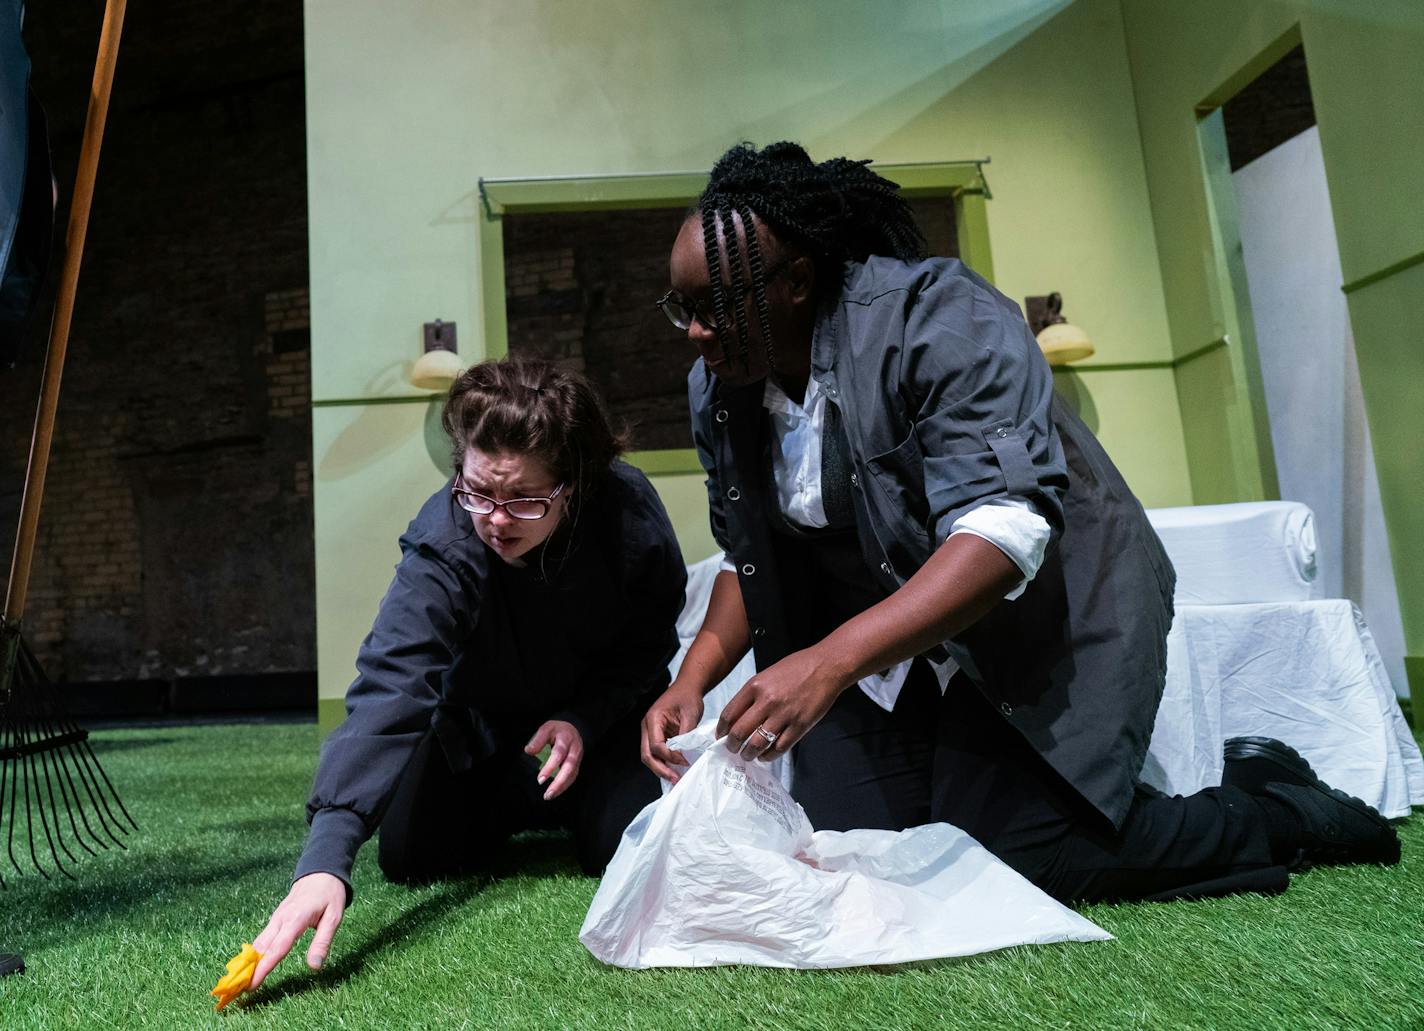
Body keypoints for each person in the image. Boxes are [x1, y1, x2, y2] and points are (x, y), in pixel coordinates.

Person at [641, 141, 1400, 904]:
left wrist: (831, 662)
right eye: (683, 309)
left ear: (797, 282)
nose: (696, 333)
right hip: (894, 652)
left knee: (1020, 856)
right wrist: (693, 677)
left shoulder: (937, 318)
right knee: (849, 850)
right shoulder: (721, 390)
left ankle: (1269, 805)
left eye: (715, 307)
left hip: (1041, 618)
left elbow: (1002, 538)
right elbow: (752, 558)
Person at [249, 357, 686, 987]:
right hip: (482, 727)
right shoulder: (447, 539)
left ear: (577, 484)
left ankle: (567, 801)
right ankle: (519, 797)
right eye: (478, 490)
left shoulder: (627, 515)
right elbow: (393, 681)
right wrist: (325, 857)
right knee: (408, 854)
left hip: (600, 724)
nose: (496, 520)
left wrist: (585, 719)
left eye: (524, 499)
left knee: (625, 845)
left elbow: (649, 641)